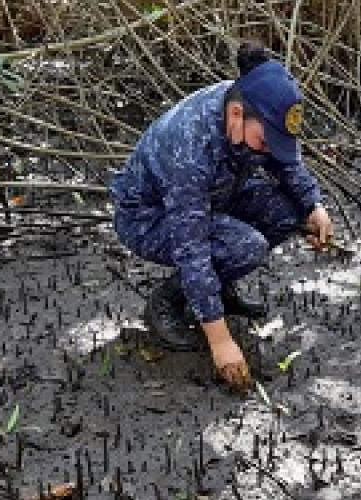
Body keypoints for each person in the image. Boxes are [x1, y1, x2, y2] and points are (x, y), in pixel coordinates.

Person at [108, 41, 334, 392]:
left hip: (217, 195)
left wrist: (313, 205)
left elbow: (287, 163)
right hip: (148, 218)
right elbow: (191, 246)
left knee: (287, 214)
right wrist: (220, 341)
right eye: (265, 141)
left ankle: (220, 288)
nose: (268, 149)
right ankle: (165, 302)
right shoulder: (190, 145)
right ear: (236, 115)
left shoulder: (255, 111)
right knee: (245, 247)